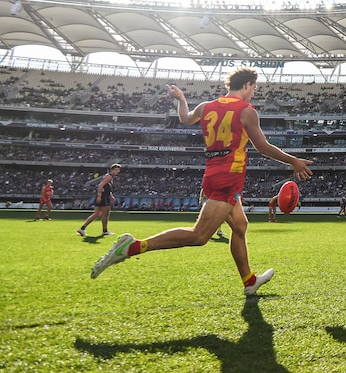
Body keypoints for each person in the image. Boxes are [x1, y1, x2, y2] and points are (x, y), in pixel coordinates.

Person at [90, 67, 313, 297]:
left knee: (240, 226)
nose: (253, 93)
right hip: (228, 178)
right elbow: (262, 146)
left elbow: (185, 118)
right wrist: (293, 161)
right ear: (247, 85)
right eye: (254, 88)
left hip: (213, 175)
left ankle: (249, 281)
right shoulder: (247, 111)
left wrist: (182, 99)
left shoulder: (206, 107)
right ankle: (133, 246)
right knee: (199, 236)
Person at [77, 164, 121, 237]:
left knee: (96, 214)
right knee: (105, 214)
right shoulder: (109, 176)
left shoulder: (108, 176)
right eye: (116, 170)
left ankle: (82, 228)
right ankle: (105, 231)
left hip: (103, 196)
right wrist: (100, 196)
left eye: (118, 170)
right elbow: (101, 185)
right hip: (103, 197)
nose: (117, 171)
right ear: (112, 170)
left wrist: (111, 195)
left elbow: (107, 188)